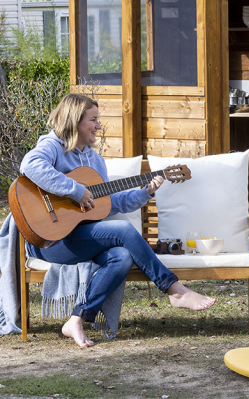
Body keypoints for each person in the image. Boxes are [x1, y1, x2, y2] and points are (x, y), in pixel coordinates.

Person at [20, 93, 216, 348]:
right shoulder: (53, 145)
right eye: (93, 119)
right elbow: (30, 164)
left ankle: (77, 319)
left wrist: (144, 193)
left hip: (80, 237)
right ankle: (173, 289)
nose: (99, 126)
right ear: (75, 121)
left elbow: (108, 204)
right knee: (124, 229)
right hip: (48, 239)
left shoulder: (94, 161)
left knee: (121, 257)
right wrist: (75, 190)